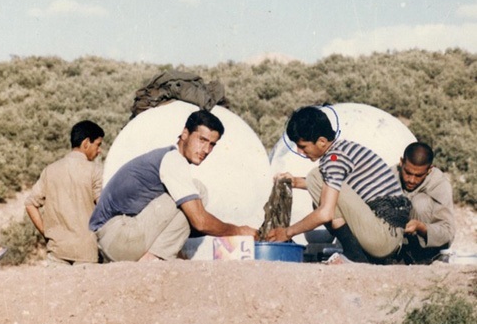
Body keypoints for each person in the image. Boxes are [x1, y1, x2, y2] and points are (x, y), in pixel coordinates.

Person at [89, 109, 257, 262]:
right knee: (197, 191)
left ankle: (155, 256)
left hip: (112, 240)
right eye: (202, 140)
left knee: (190, 202)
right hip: (118, 236)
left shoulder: (166, 158)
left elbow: (191, 225)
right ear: (185, 133)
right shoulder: (173, 160)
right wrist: (239, 231)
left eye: (212, 144)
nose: (206, 149)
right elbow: (200, 221)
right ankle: (154, 259)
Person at [267, 105, 411, 264]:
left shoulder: (334, 159)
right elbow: (333, 186)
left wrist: (287, 233)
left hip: (382, 236)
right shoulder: (342, 150)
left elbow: (325, 213)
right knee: (320, 184)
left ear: (321, 141)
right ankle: (361, 256)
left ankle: (355, 257)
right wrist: (295, 182)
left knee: (316, 179)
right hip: (388, 235)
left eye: (302, 146)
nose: (300, 152)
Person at [25, 120, 104, 265]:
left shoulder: (50, 170)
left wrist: (46, 233)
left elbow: (30, 204)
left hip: (57, 251)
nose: (99, 150)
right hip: (86, 253)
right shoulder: (95, 171)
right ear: (86, 143)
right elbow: (104, 208)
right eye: (98, 145)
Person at [393, 142, 455, 264]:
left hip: (425, 248)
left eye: (418, 175)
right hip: (394, 243)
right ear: (401, 162)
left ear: (429, 170)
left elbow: (447, 232)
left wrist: (421, 227)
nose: (411, 180)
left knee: (420, 203)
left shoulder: (440, 184)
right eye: (408, 173)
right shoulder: (389, 176)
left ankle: (423, 260)